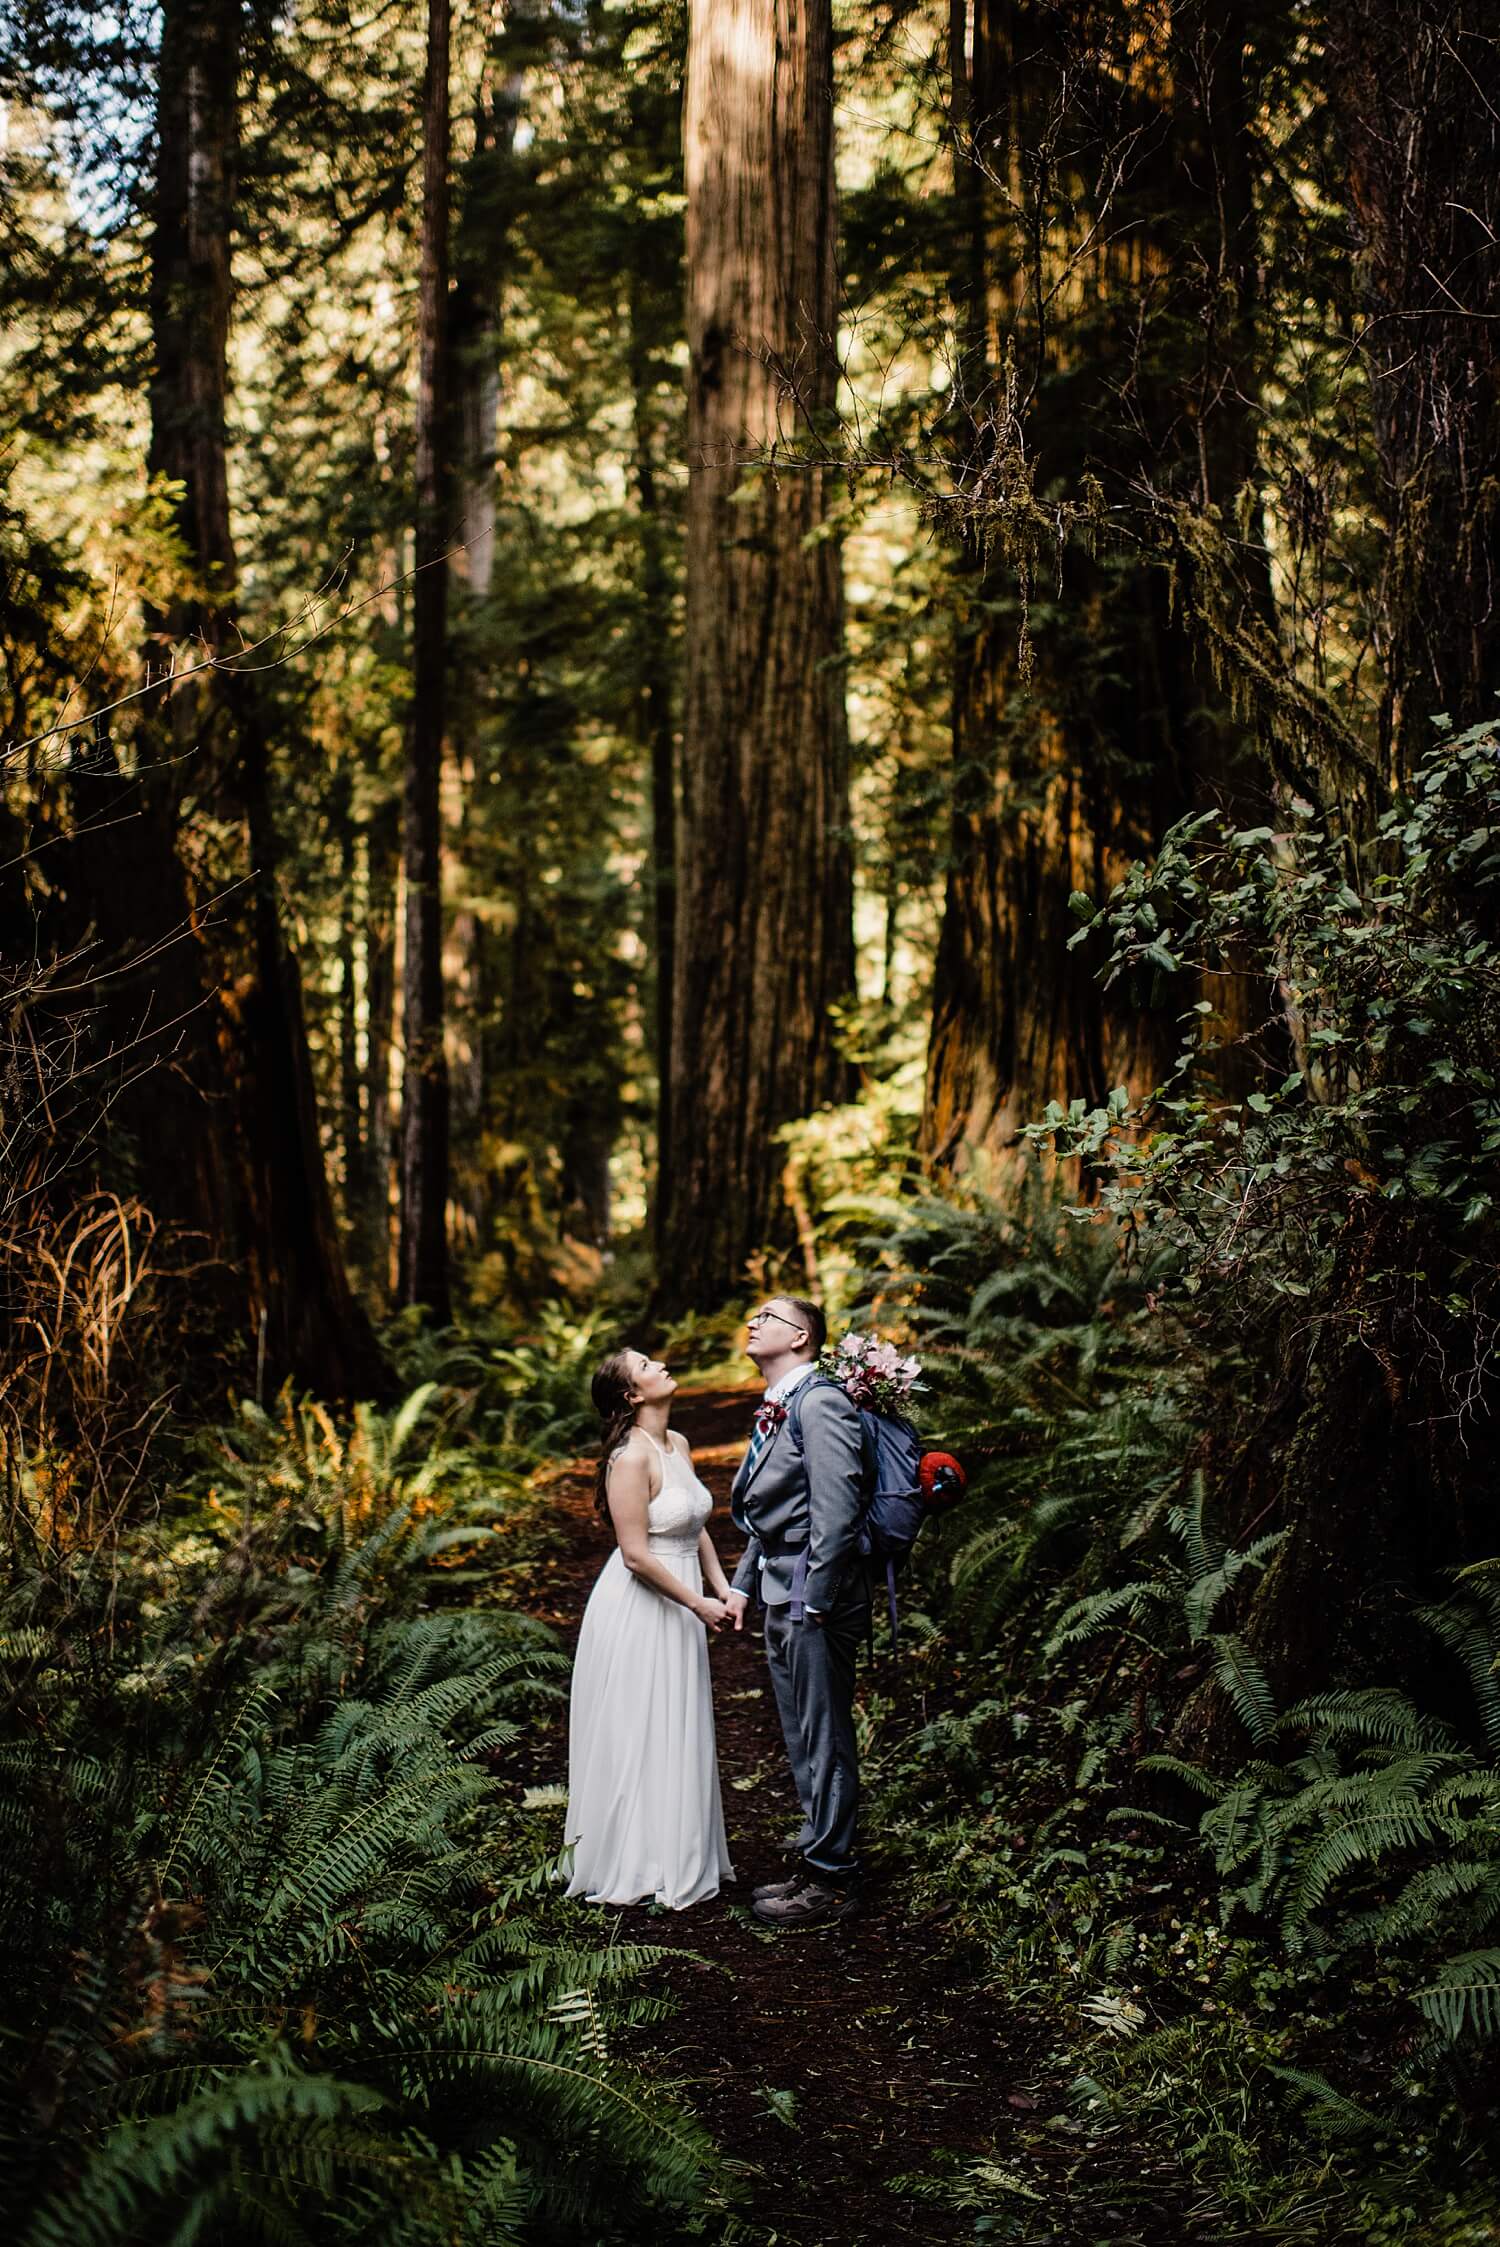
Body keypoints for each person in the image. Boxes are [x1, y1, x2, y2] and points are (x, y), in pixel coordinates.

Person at [564, 1346, 737, 1910]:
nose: (661, 1364)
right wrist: (697, 1604)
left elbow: (694, 1524)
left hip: (683, 1594)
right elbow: (636, 1554)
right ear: (632, 1396)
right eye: (645, 1366)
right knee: (642, 1724)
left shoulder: (678, 1443)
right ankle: (637, 1860)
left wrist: (722, 1587)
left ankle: (681, 1851)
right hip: (642, 1605)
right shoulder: (628, 1459)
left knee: (677, 1719)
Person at [725, 1295, 871, 1927]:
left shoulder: (821, 1400)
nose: (753, 1323)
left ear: (802, 1337)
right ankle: (818, 1852)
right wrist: (744, 1583)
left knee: (827, 1734)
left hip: (814, 1598)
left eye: (768, 1317)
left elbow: (836, 1513)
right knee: (801, 1732)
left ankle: (833, 1881)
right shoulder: (781, 1406)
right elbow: (769, 1514)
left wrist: (815, 1596)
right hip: (783, 1592)